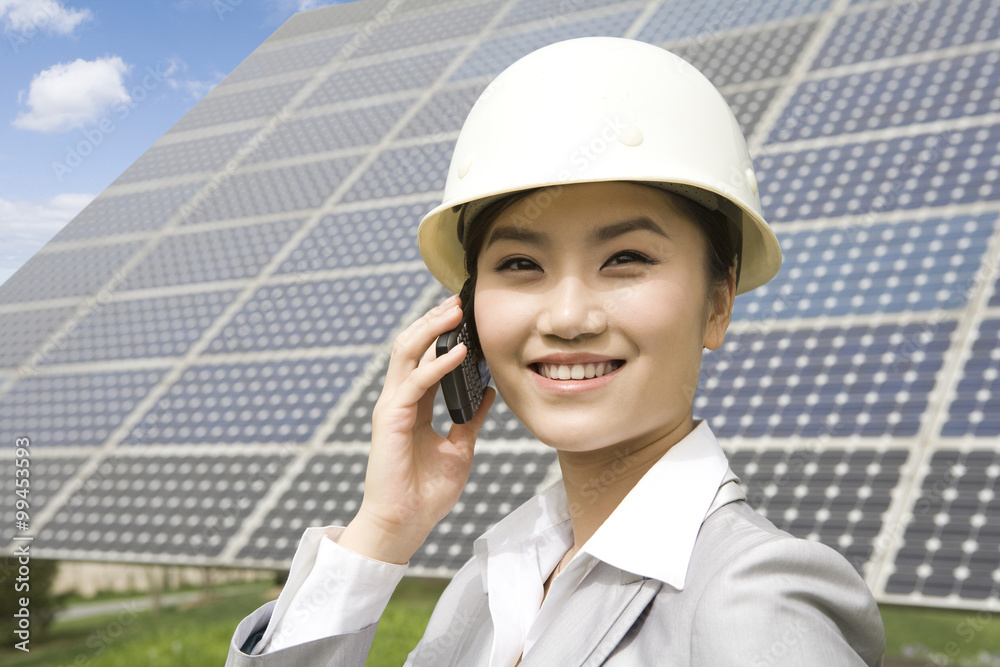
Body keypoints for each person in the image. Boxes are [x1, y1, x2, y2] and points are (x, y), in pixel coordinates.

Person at [226, 37, 885, 666]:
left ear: (719, 303)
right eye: (520, 263)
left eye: (626, 258)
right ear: (469, 312)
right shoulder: (491, 580)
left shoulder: (753, 597)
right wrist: (384, 526)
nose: (568, 317)